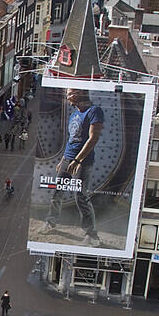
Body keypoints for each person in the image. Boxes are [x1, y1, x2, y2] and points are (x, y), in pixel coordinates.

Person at [47, 89, 105, 247]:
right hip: (68, 158)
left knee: (81, 197)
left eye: (70, 93)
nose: (67, 96)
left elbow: (93, 139)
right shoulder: (74, 114)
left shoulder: (94, 111)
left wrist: (78, 160)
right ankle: (51, 223)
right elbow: (72, 139)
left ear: (80, 93)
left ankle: (92, 235)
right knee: (57, 190)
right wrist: (64, 159)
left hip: (83, 162)